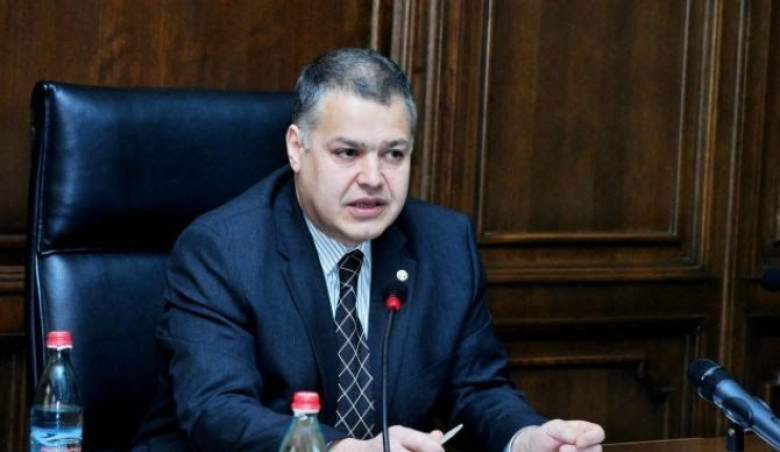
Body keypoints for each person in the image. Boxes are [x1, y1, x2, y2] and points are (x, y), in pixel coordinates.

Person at [133, 48, 604, 452]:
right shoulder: (221, 250)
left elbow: (477, 388)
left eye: (393, 154)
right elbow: (216, 411)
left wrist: (526, 437)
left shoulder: (445, 243)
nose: (374, 178)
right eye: (348, 153)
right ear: (297, 149)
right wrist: (342, 449)